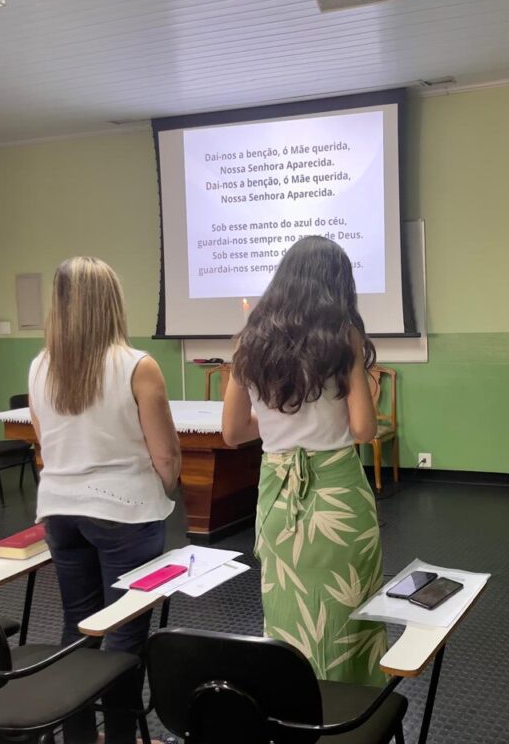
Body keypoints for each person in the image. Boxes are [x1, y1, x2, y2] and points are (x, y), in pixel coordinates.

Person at [222, 236, 387, 685]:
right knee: (348, 613)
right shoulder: (345, 337)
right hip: (337, 497)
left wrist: (278, 424)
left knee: (287, 613)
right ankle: (355, 714)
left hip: (278, 499)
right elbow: (364, 430)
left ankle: (293, 710)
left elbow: (234, 432)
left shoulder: (249, 341)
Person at [29, 256, 180, 744]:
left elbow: (45, 445)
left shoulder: (39, 367)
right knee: (124, 635)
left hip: (59, 511)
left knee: (79, 625)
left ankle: (78, 736)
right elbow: (167, 459)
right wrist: (167, 486)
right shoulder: (137, 366)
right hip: (124, 513)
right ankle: (120, 737)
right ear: (111, 303)